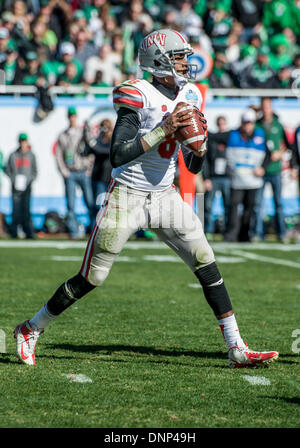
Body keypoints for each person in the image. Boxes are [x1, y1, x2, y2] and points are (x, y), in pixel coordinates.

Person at [14, 29, 278, 368]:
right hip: (127, 195)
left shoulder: (191, 93)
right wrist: (163, 130)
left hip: (164, 195)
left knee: (205, 260)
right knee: (92, 277)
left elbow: (193, 165)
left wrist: (200, 148)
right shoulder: (138, 93)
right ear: (159, 60)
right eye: (180, 56)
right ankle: (30, 328)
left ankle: (236, 347)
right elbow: (117, 154)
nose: (187, 62)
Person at [224, 109, 270, 243]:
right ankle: (231, 234)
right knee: (233, 207)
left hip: (253, 181)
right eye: (245, 123)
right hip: (237, 180)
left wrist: (263, 168)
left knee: (249, 209)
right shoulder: (232, 135)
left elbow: (269, 154)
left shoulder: (261, 136)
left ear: (253, 124)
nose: (247, 125)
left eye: (249, 123)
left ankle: (244, 235)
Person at [55, 107, 94, 239]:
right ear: (68, 117)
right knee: (70, 204)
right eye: (70, 116)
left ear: (76, 117)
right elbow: (59, 155)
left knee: (89, 201)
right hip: (70, 172)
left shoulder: (83, 132)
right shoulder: (63, 135)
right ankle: (73, 231)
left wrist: (89, 169)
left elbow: (90, 149)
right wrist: (64, 171)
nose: (72, 118)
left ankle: (93, 229)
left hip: (83, 170)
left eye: (74, 116)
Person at [253, 98, 289, 242]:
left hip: (275, 170)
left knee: (278, 203)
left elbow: (286, 145)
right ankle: (257, 233)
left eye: (268, 107)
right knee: (258, 204)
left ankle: (282, 233)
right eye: (264, 107)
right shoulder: (257, 126)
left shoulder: (278, 125)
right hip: (261, 170)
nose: (266, 110)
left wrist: (279, 154)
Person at [202, 116, 231, 239]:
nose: (221, 126)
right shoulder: (212, 140)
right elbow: (206, 160)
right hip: (213, 177)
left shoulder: (231, 138)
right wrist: (206, 177)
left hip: (227, 177)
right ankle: (208, 231)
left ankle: (226, 231)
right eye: (219, 123)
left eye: (223, 123)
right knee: (208, 206)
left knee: (228, 206)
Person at [5, 133, 37, 239]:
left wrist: (28, 180)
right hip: (16, 188)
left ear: (27, 142)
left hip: (27, 187)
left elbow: (34, 171)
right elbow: (7, 169)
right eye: (21, 141)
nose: (22, 143)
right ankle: (14, 232)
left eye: (24, 141)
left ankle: (28, 231)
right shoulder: (13, 155)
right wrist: (14, 179)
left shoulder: (31, 155)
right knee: (16, 210)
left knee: (26, 210)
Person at [82, 118, 114, 216]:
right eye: (102, 127)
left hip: (109, 179)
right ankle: (95, 228)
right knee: (95, 205)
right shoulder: (98, 140)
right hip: (97, 177)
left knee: (106, 205)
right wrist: (85, 137)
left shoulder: (113, 141)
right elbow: (87, 152)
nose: (104, 130)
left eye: (106, 128)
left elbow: (103, 151)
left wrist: (91, 143)